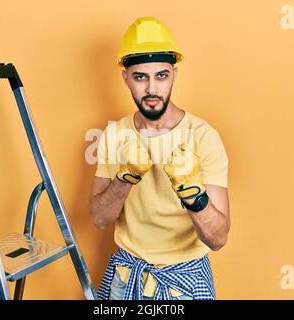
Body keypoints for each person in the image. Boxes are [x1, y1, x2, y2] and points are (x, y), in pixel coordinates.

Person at [89, 17, 230, 300]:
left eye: (161, 76)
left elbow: (217, 239)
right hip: (128, 274)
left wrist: (193, 194)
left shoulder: (204, 137)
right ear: (126, 78)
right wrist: (124, 178)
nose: (152, 89)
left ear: (174, 75)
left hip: (185, 280)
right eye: (141, 77)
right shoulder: (114, 135)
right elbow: (99, 218)